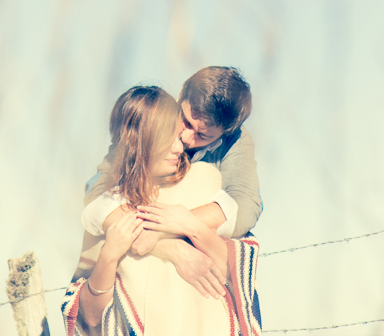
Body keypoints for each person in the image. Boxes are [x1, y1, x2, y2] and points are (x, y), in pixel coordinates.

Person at [62, 86, 268, 336]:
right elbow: (88, 313)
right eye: (172, 134)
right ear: (137, 145)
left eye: (186, 134)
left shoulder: (207, 184)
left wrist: (186, 225)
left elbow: (231, 266)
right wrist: (148, 249)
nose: (183, 143)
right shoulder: (112, 207)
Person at [82, 67, 262, 299]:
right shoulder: (149, 123)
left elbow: (245, 206)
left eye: (203, 135)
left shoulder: (237, 139)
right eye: (186, 122)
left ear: (226, 133)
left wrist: (172, 226)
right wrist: (170, 247)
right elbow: (96, 192)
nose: (186, 139)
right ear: (180, 96)